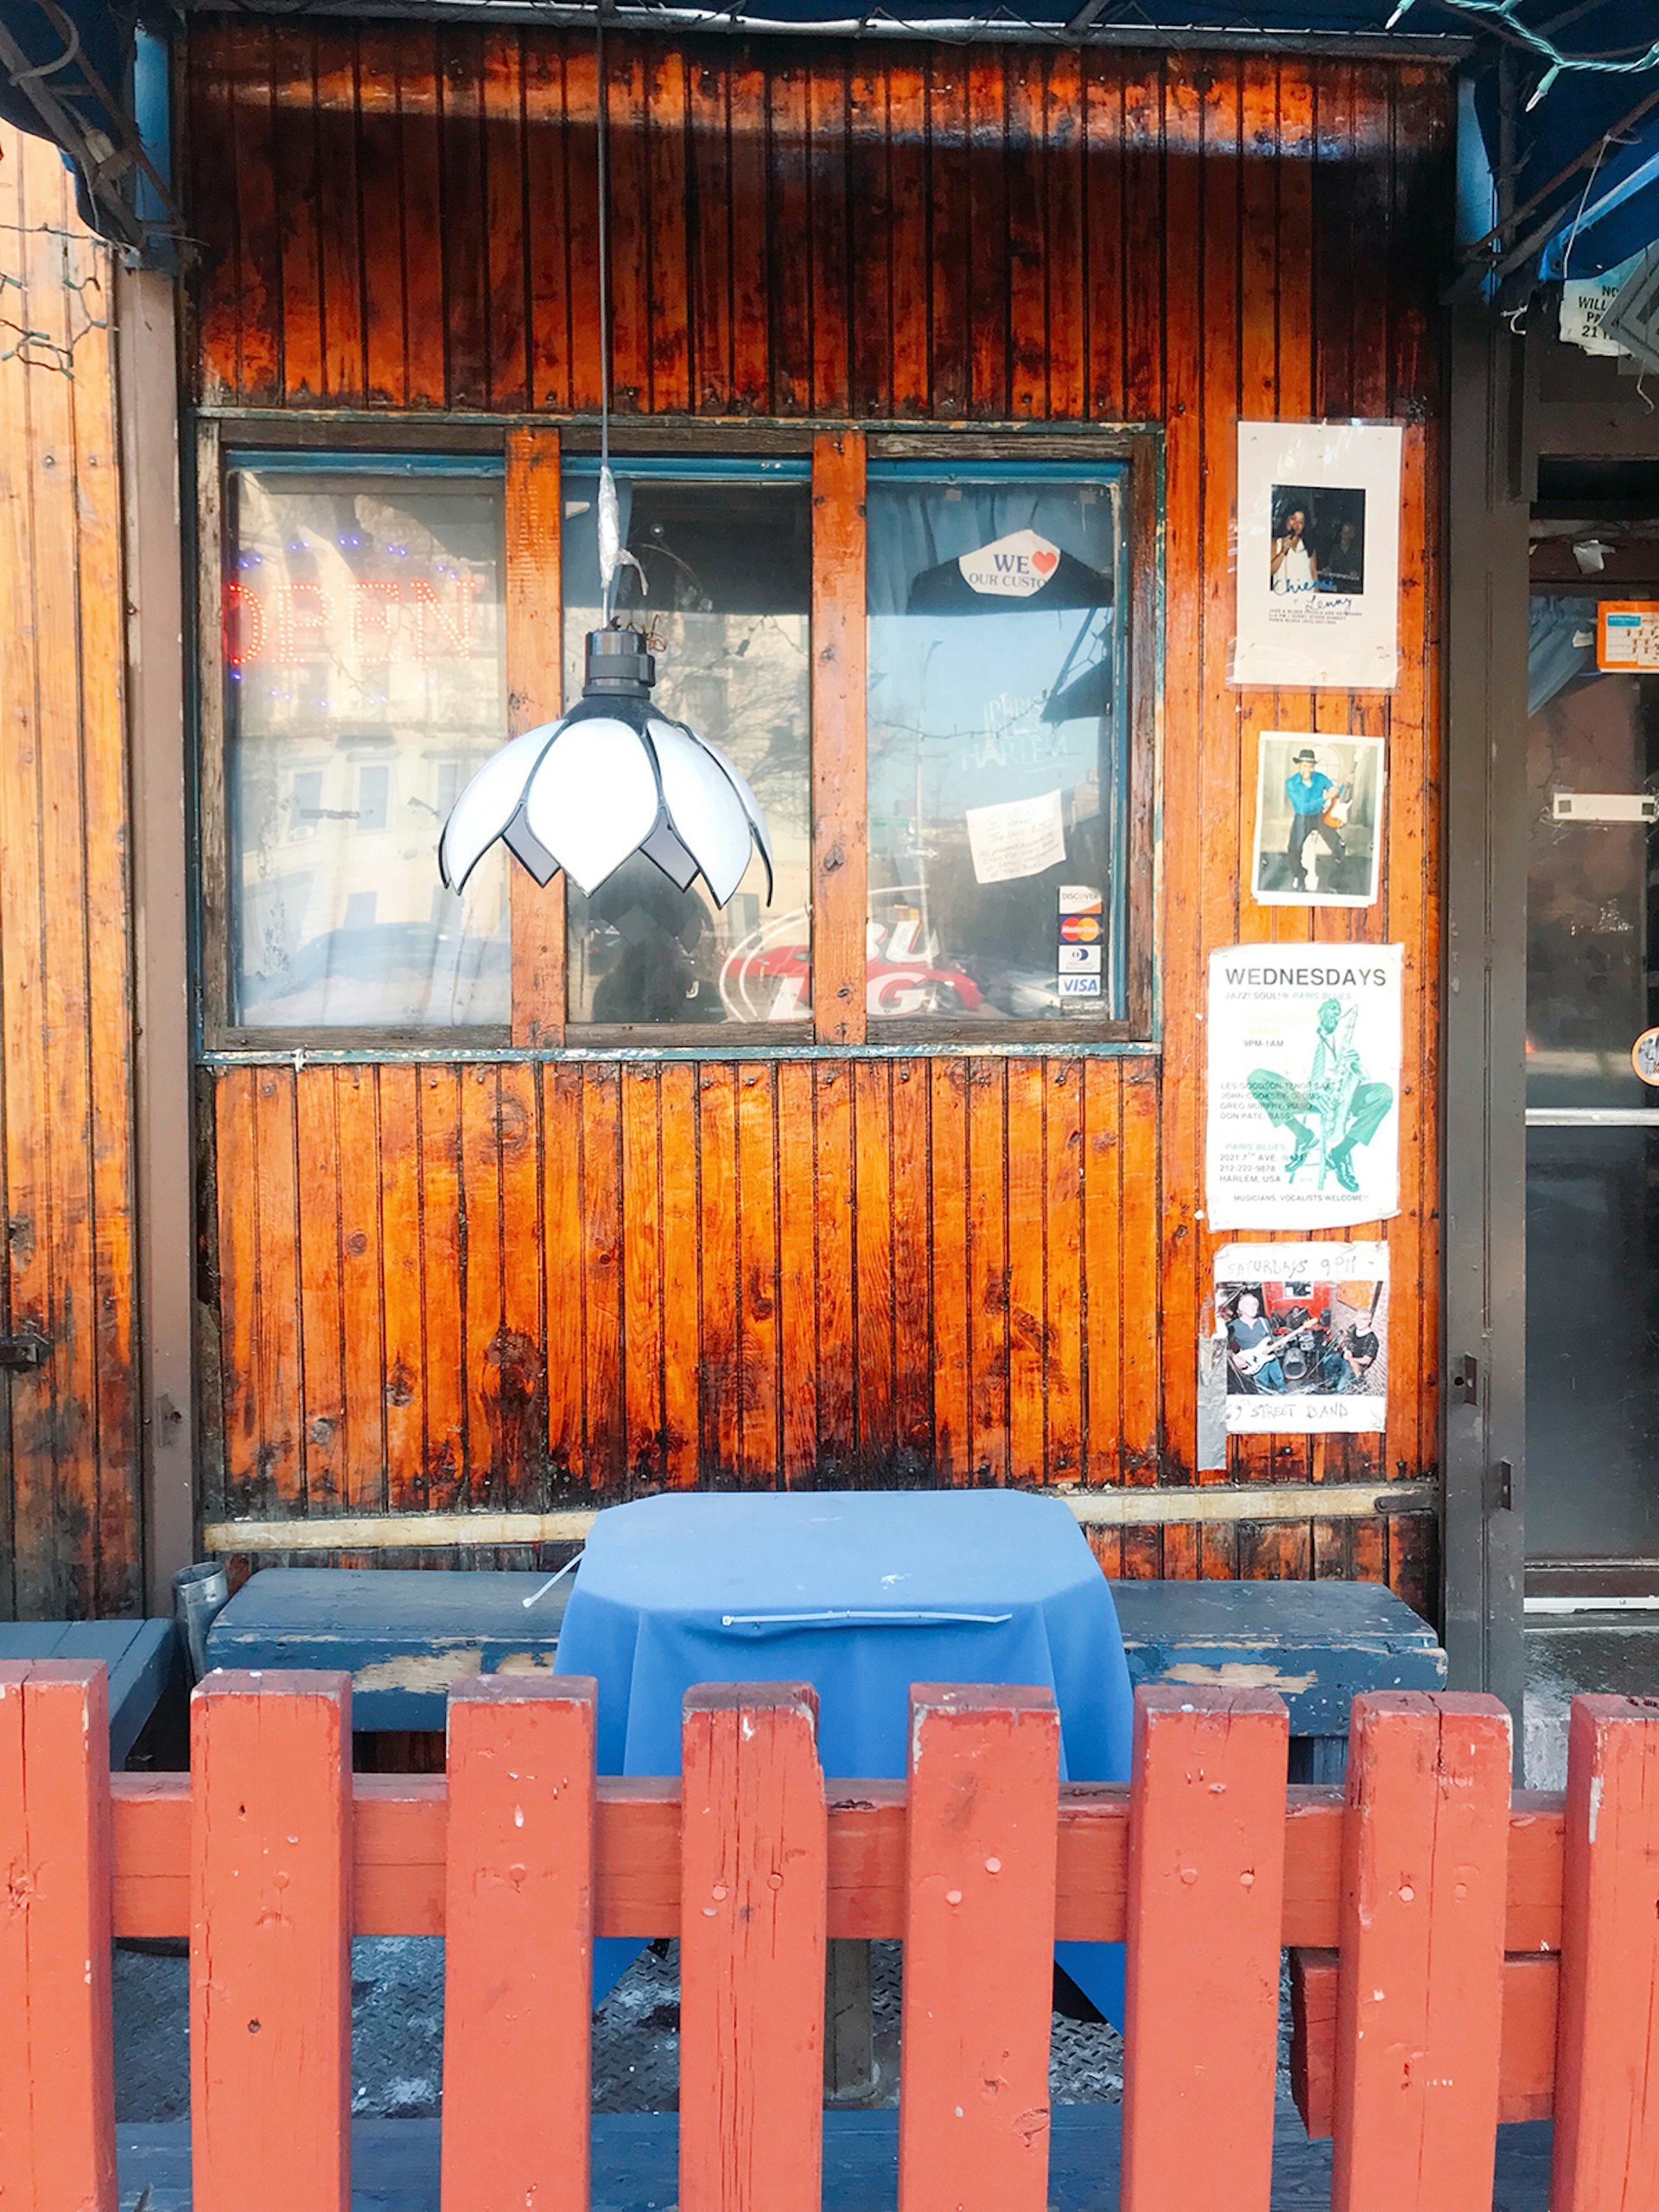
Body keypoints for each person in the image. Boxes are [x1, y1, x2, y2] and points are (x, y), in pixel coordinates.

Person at [1245, 996, 1394, 1198]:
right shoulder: (1299, 1034)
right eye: (1332, 1008)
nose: (1336, 1013)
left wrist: (1357, 1061)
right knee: (1258, 1077)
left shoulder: (1344, 1039)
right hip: (1303, 1094)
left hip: (1340, 1096)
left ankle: (1341, 1152)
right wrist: (1311, 1090)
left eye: (1338, 1010)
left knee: (1383, 1093)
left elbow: (1359, 1073)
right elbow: (1287, 1067)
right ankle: (1303, 1135)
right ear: (1319, 1011)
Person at [1281, 747, 1350, 891]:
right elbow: (1303, 807)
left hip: (1319, 816)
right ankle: (1299, 875)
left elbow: (1335, 792)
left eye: (1311, 766)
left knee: (1339, 846)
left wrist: (1346, 784)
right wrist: (1324, 797)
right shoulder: (1291, 783)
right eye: (1305, 766)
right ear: (1299, 766)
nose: (1308, 769)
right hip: (1302, 818)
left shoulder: (1320, 778)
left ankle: (1334, 883)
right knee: (1293, 850)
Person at [1224, 1287, 1287, 1392]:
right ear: (1240, 1308)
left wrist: (1280, 1343)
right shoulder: (1233, 1326)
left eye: (1255, 1304)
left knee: (1281, 1384)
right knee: (1263, 1389)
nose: (1252, 1307)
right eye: (1248, 1304)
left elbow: (1271, 1340)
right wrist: (1235, 1358)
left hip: (1271, 1359)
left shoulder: (1263, 1322)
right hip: (1254, 1362)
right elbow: (1225, 1348)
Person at [1270, 506, 1318, 594]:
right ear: (1286, 519)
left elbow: (1314, 574)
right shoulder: (1275, 543)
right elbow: (1270, 571)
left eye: (1301, 522)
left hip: (1306, 595)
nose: (1296, 525)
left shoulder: (1308, 546)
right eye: (1293, 519)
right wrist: (1282, 552)